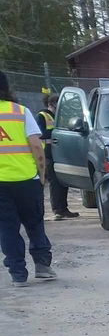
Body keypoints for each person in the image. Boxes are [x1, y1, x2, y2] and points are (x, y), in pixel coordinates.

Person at [0, 71, 56, 286]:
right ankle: (42, 266)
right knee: (34, 223)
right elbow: (36, 145)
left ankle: (17, 274)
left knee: (7, 228)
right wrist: (42, 174)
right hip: (26, 179)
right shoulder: (20, 112)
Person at [36, 92, 76, 219]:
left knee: (63, 181)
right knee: (54, 182)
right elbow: (39, 134)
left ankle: (64, 208)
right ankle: (57, 210)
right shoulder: (42, 116)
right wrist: (57, 132)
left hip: (60, 152)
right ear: (50, 105)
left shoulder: (60, 117)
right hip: (48, 153)